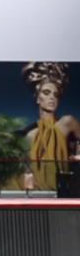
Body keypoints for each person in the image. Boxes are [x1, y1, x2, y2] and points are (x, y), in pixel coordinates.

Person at [22, 62, 80, 190]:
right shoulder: (31, 135)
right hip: (38, 191)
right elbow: (27, 170)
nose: (52, 98)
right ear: (38, 98)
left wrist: (77, 156)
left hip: (64, 187)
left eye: (56, 94)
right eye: (46, 92)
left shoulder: (67, 122)